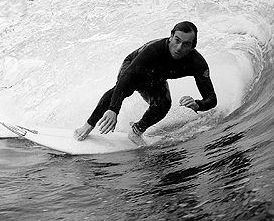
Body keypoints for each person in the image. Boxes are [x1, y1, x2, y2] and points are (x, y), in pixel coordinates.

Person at [74, 21, 217, 145]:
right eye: (177, 40)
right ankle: (87, 126)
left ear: (193, 46)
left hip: (156, 77)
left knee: (163, 104)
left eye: (186, 44)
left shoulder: (197, 64)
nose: (179, 48)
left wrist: (198, 104)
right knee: (123, 90)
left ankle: (136, 131)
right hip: (133, 68)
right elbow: (127, 77)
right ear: (171, 37)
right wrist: (113, 109)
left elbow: (211, 99)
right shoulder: (154, 50)